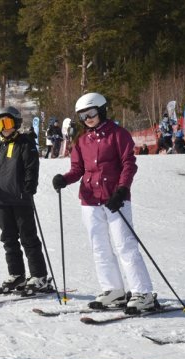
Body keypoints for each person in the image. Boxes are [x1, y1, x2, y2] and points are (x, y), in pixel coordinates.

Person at [52, 92, 154, 312]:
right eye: (83, 116)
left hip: (114, 199)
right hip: (89, 199)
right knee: (99, 246)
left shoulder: (119, 135)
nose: (88, 119)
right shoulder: (82, 141)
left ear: (102, 110)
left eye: (91, 113)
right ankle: (113, 290)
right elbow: (78, 169)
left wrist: (122, 190)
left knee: (125, 245)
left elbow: (129, 164)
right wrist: (64, 179)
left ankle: (142, 292)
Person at [0, 106, 50, 295]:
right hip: (1, 200)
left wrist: (29, 187)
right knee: (8, 239)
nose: (4, 127)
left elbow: (31, 167)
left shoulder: (25, 143)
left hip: (20, 198)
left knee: (28, 238)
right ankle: (17, 274)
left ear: (16, 123)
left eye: (7, 122)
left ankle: (39, 276)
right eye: (0, 124)